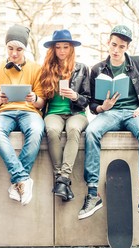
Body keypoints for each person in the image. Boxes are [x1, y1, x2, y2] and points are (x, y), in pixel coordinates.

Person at [79, 25, 139, 224]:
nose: (116, 50)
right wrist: (103, 107)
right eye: (114, 45)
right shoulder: (97, 69)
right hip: (110, 113)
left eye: (121, 46)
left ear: (127, 47)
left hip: (135, 113)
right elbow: (92, 104)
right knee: (91, 131)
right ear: (108, 43)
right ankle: (93, 193)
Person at [0, 25, 45, 206]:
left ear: (25, 49)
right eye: (10, 48)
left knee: (37, 130)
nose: (14, 54)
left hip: (30, 111)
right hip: (5, 112)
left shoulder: (36, 69)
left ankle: (17, 182)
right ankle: (22, 178)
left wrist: (34, 98)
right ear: (6, 48)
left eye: (19, 49)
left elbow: (42, 102)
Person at [40, 30, 90, 201]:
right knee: (52, 131)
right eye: (58, 47)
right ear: (53, 49)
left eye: (65, 47)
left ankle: (63, 178)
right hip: (53, 112)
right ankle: (61, 180)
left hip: (76, 112)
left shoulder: (82, 68)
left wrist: (75, 96)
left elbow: (87, 100)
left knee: (74, 129)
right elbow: (42, 99)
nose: (62, 51)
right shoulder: (46, 70)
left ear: (71, 49)